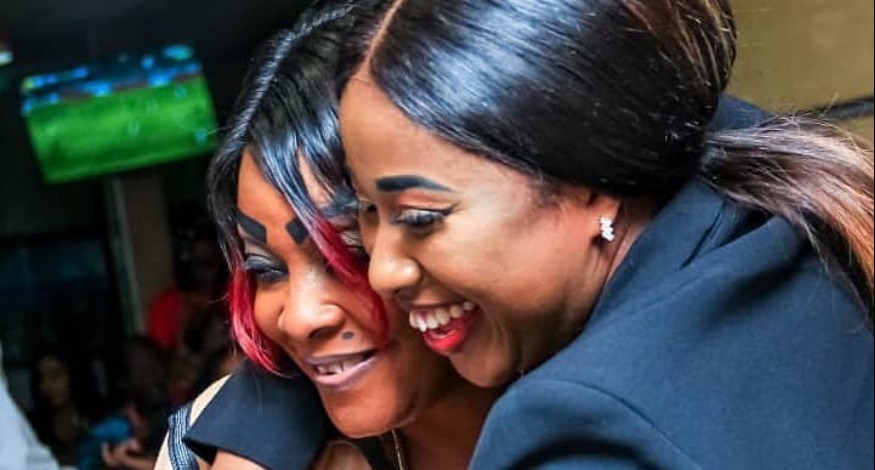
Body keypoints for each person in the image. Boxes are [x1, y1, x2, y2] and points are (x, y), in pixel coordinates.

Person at [335, 0, 874, 468]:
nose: (382, 272)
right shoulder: (773, 212)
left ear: (591, 183)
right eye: (367, 209)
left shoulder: (584, 435)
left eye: (421, 218)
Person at [161, 2, 500, 468]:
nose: (300, 319)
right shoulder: (213, 446)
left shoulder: (594, 406)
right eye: (267, 269)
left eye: (349, 252)